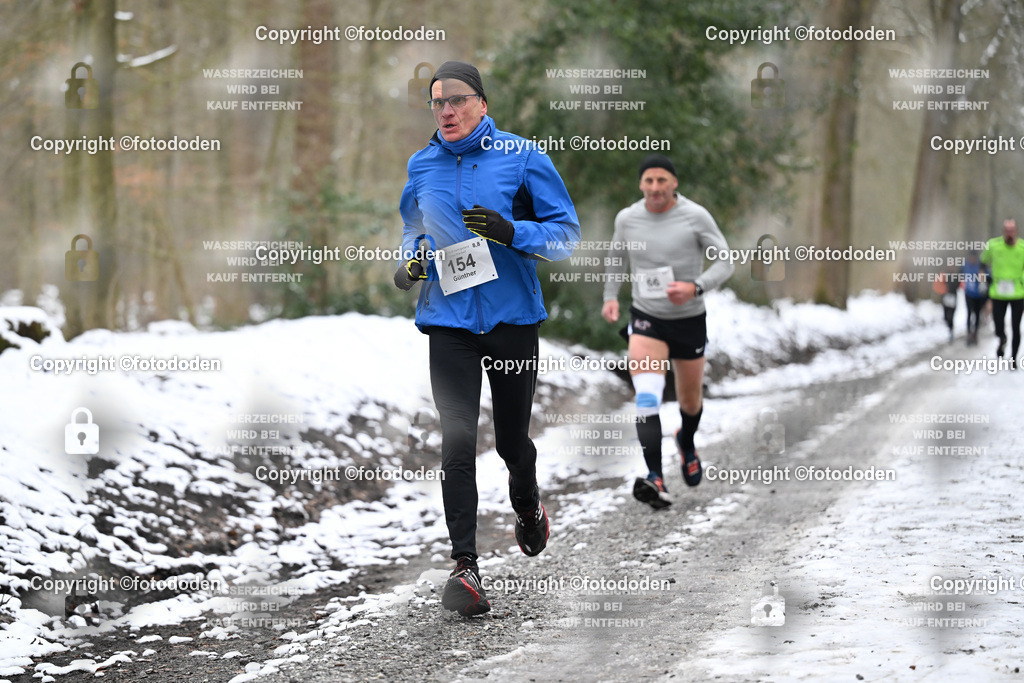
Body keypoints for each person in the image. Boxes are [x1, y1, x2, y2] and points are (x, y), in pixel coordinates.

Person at [394, 61, 580, 616]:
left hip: (510, 322)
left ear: (480, 101)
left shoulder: (521, 156)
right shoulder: (421, 164)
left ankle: (527, 503)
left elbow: (565, 235)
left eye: (456, 100)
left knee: (509, 443)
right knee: (455, 443)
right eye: (436, 102)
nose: (445, 111)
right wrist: (411, 263)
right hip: (448, 323)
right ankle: (466, 568)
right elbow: (411, 229)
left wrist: (511, 232)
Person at [601, 155, 734, 509]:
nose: (655, 188)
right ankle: (655, 477)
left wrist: (696, 286)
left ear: (673, 183)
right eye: (649, 181)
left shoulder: (695, 216)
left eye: (662, 181)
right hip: (646, 318)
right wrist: (611, 298)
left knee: (690, 402)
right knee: (647, 395)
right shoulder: (628, 218)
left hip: (689, 319)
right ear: (640, 185)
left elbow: (726, 259)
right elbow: (617, 258)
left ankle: (686, 440)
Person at [980, 218, 1024, 367]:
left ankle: (1013, 358)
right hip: (998, 293)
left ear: (1016, 231)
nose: (1009, 234)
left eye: (1012, 231)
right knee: (999, 325)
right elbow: (983, 262)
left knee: (1016, 326)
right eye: (1007, 231)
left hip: (1018, 293)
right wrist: (983, 279)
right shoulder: (993, 245)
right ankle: (1002, 338)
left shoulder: (1023, 247)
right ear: (1003, 231)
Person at [961, 250, 988, 346]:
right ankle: (969, 333)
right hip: (968, 294)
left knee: (976, 314)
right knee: (969, 313)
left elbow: (987, 277)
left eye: (974, 257)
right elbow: (959, 276)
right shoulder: (965, 266)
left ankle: (975, 333)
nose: (972, 259)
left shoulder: (980, 267)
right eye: (971, 257)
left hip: (979, 295)